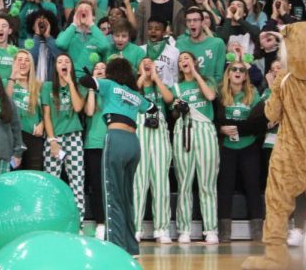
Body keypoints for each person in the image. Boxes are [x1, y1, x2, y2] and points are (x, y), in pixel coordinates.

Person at [79, 58, 158, 258]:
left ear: (112, 72)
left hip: (116, 139)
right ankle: (132, 248)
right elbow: (152, 108)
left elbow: (84, 81)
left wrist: (94, 77)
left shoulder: (109, 85)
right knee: (126, 196)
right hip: (134, 144)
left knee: (111, 195)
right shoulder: (134, 94)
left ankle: (115, 247)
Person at [162, 51, 220, 244]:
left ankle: (210, 229)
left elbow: (210, 96)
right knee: (184, 182)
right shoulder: (176, 87)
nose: (183, 61)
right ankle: (184, 229)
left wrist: (196, 75)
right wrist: (179, 109)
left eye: (187, 58)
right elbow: (174, 116)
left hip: (205, 129)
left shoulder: (207, 80)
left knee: (207, 183)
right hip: (184, 130)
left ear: (194, 61)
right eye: (180, 60)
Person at [215, 61, 268, 243]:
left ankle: (258, 233)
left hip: (249, 147)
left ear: (246, 76)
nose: (238, 72)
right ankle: (224, 233)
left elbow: (260, 123)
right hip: (226, 149)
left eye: (241, 70)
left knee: (253, 187)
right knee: (225, 189)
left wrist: (236, 128)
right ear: (228, 74)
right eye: (234, 69)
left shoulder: (254, 95)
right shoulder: (219, 96)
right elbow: (214, 120)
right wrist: (221, 130)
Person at [132, 57, 174, 244]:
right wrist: (142, 76)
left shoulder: (160, 84)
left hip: (159, 131)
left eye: (151, 63)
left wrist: (156, 78)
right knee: (139, 181)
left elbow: (169, 99)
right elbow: (132, 97)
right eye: (144, 62)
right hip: (140, 128)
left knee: (160, 181)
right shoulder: (135, 86)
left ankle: (162, 228)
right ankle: (136, 228)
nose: (148, 65)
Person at [43, 53, 87, 217]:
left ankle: (79, 220)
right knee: (51, 181)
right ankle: (51, 218)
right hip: (54, 138)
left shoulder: (78, 85)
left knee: (77, 180)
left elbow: (77, 108)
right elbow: (46, 115)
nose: (63, 64)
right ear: (55, 66)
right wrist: (52, 140)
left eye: (67, 61)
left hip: (73, 136)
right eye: (60, 61)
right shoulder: (47, 86)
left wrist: (70, 83)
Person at [7, 50, 44, 171]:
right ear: (14, 63)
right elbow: (5, 104)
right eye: (19, 59)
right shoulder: (6, 83)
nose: (23, 62)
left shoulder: (39, 85)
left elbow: (47, 112)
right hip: (12, 137)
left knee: (33, 175)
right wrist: (12, 79)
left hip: (33, 136)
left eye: (27, 60)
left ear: (31, 65)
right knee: (14, 176)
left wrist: (42, 125)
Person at [175, 6, 227, 86]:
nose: (192, 24)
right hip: (187, 91)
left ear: (203, 23)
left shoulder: (217, 43)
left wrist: (207, 90)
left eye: (195, 20)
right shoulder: (179, 43)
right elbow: (178, 73)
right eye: (189, 21)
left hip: (211, 90)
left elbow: (219, 76)